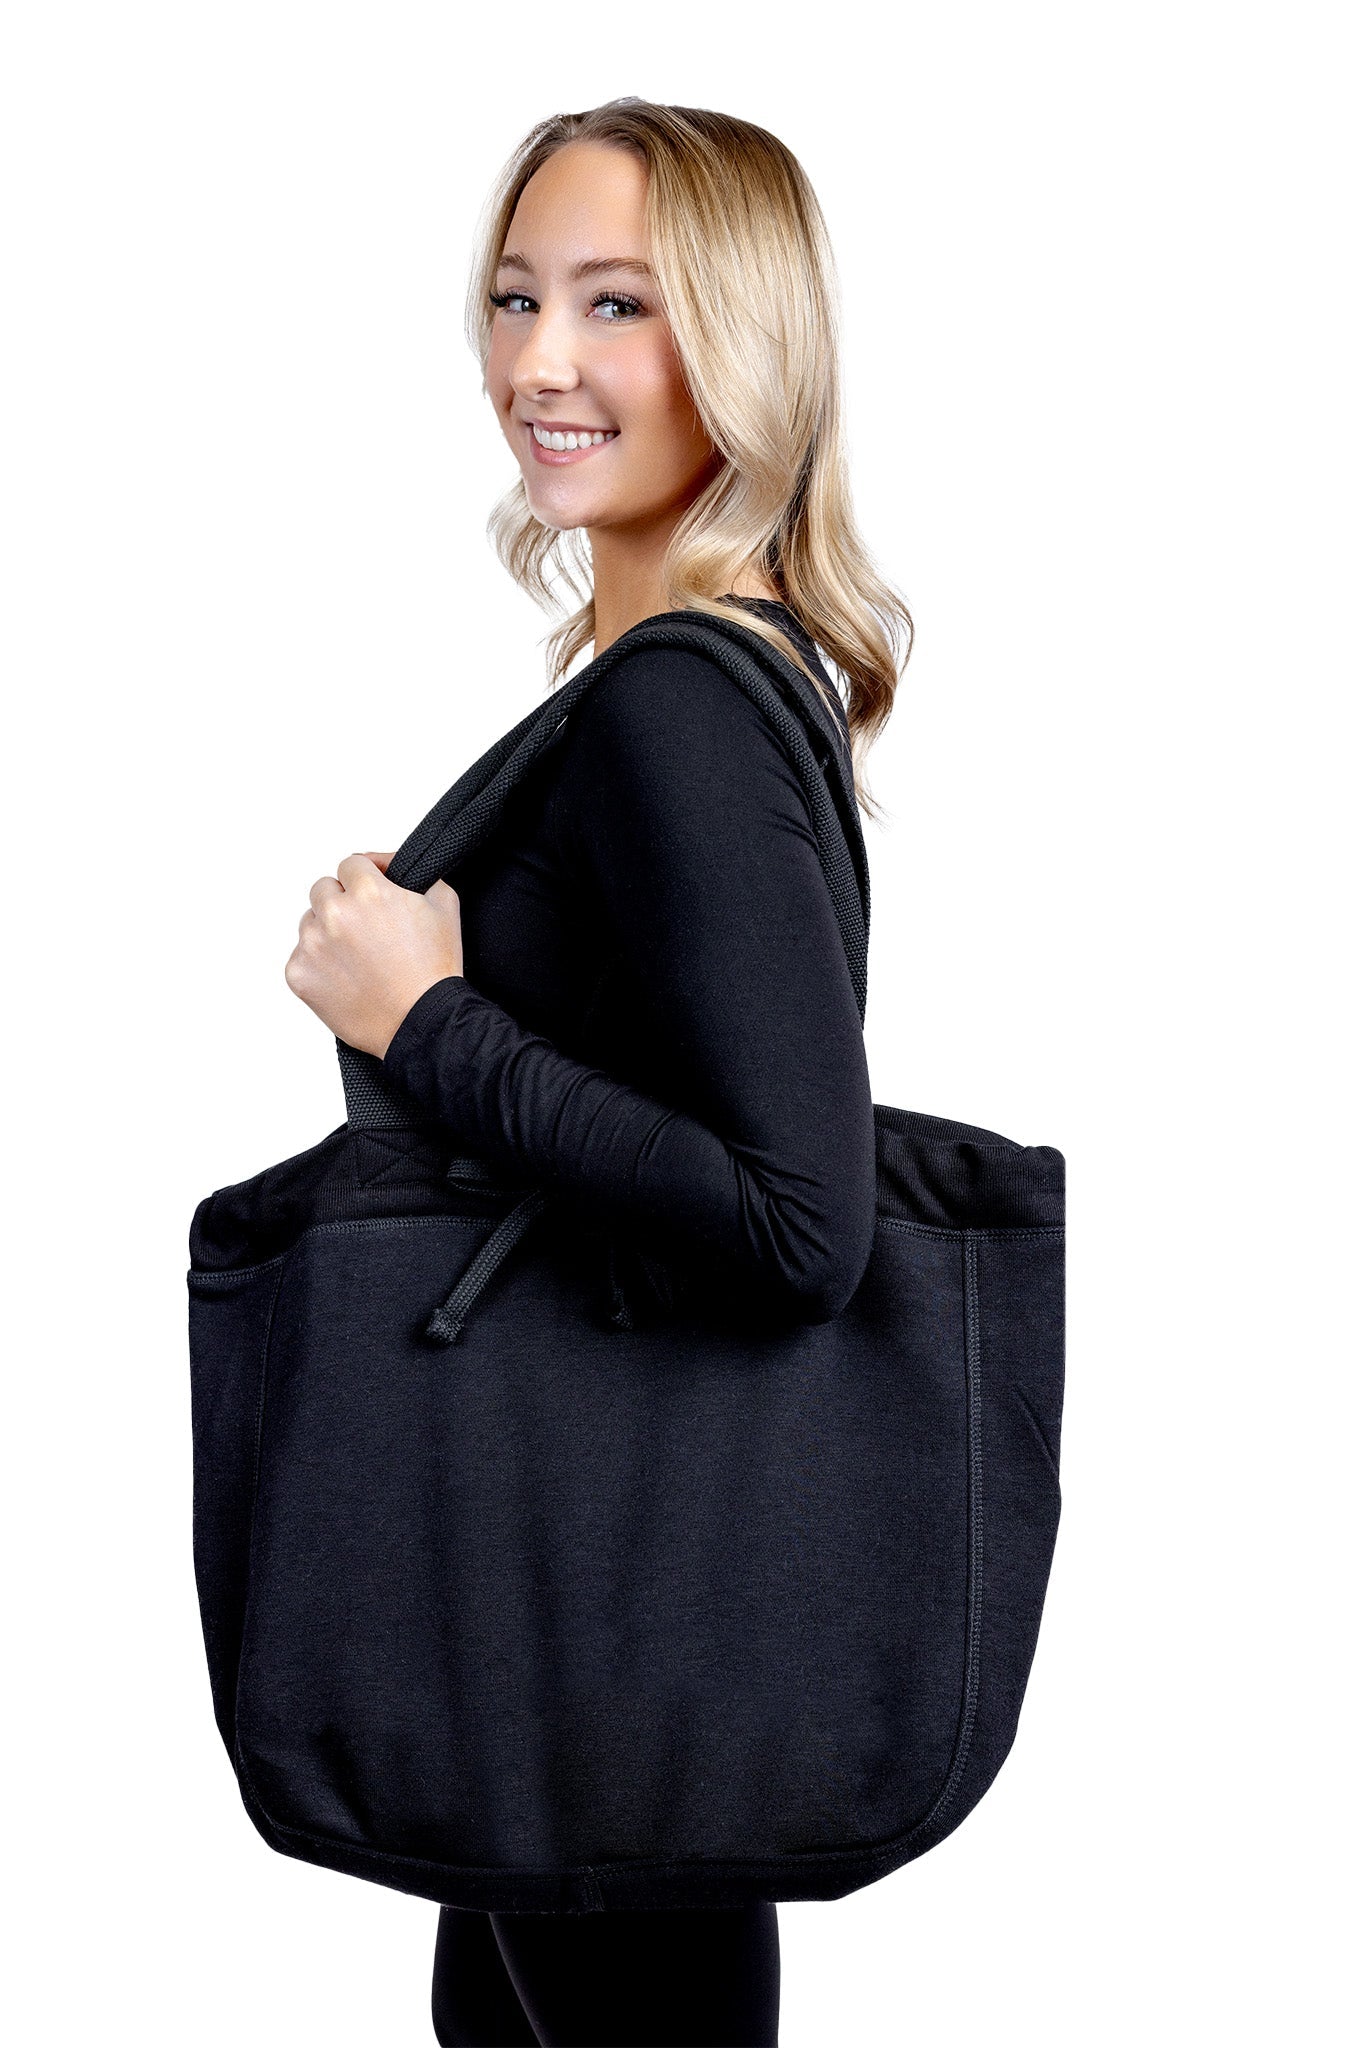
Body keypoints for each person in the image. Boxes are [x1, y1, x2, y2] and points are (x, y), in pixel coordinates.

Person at [283, 97, 911, 2048]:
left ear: (741, 344)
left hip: (605, 1588)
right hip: (592, 1578)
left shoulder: (675, 711)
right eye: (514, 296)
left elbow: (803, 1220)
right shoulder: (708, 676)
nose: (537, 363)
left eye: (616, 305)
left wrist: (427, 1025)